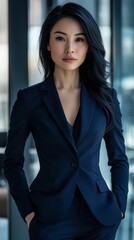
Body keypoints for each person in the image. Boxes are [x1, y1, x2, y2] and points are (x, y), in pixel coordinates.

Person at [4, 2, 129, 240]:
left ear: (89, 46)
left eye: (79, 39)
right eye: (61, 38)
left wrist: (119, 207)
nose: (70, 48)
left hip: (99, 218)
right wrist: (28, 213)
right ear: (48, 44)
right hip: (48, 218)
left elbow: (119, 159)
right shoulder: (29, 100)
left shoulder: (106, 98)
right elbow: (12, 162)